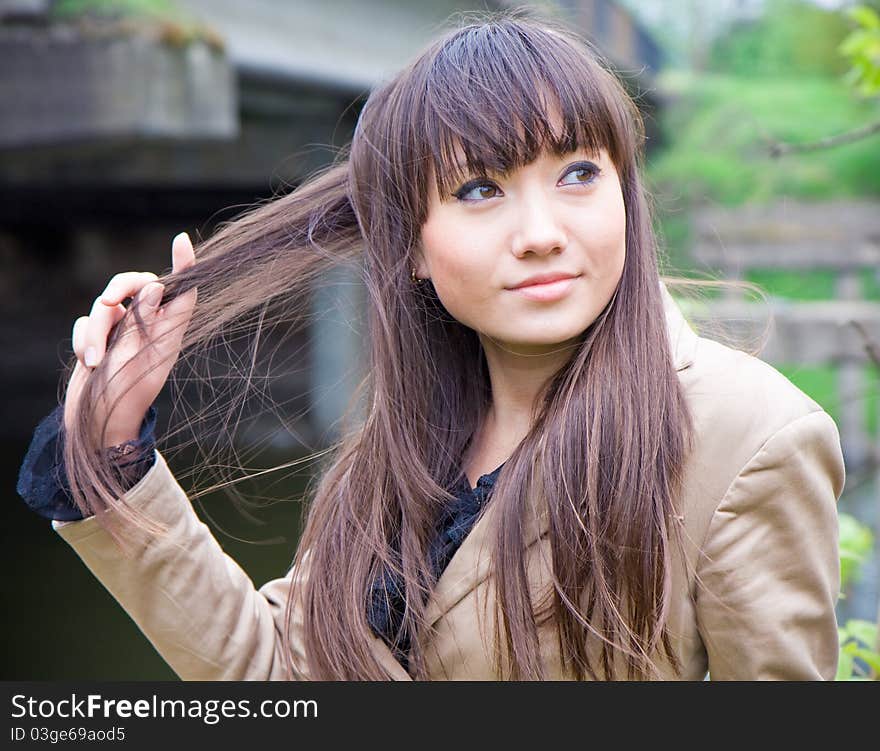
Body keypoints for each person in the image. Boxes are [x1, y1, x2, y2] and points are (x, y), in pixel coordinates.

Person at [17, 14, 845, 681]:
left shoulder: (750, 439)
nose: (541, 235)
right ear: (408, 245)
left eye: (579, 174)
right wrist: (114, 447)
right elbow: (275, 670)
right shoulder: (403, 443)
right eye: (480, 189)